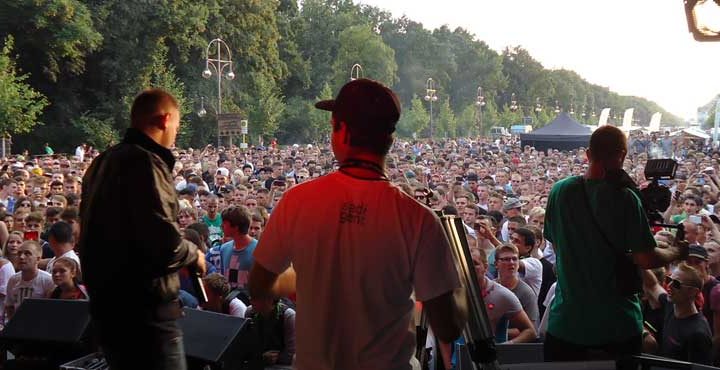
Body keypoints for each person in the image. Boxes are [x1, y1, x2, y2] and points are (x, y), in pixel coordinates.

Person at [248, 78, 467, 370]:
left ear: (342, 132)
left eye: (333, 126)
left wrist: (303, 277)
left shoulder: (297, 201)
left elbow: (259, 286)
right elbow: (449, 326)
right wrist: (460, 276)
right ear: (389, 140)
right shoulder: (418, 219)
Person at [79, 89, 205, 370]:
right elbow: (165, 246)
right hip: (147, 316)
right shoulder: (146, 162)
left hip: (109, 312)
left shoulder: (101, 163)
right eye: (176, 126)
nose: (175, 134)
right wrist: (194, 254)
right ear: (164, 119)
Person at [543, 125, 688, 367]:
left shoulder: (560, 191)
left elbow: (556, 243)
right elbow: (646, 258)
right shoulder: (626, 199)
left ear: (588, 154)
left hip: (566, 325)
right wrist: (676, 251)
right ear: (621, 155)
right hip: (616, 326)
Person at [642, 263, 712, 364]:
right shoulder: (670, 305)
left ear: (693, 292)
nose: (669, 286)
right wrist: (639, 262)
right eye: (669, 280)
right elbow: (653, 285)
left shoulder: (698, 333)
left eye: (676, 284)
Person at [5, 240, 54, 321]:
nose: (21, 257)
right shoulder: (13, 279)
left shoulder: (48, 280)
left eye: (27, 253)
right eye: (19, 253)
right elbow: (9, 306)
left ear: (38, 259)